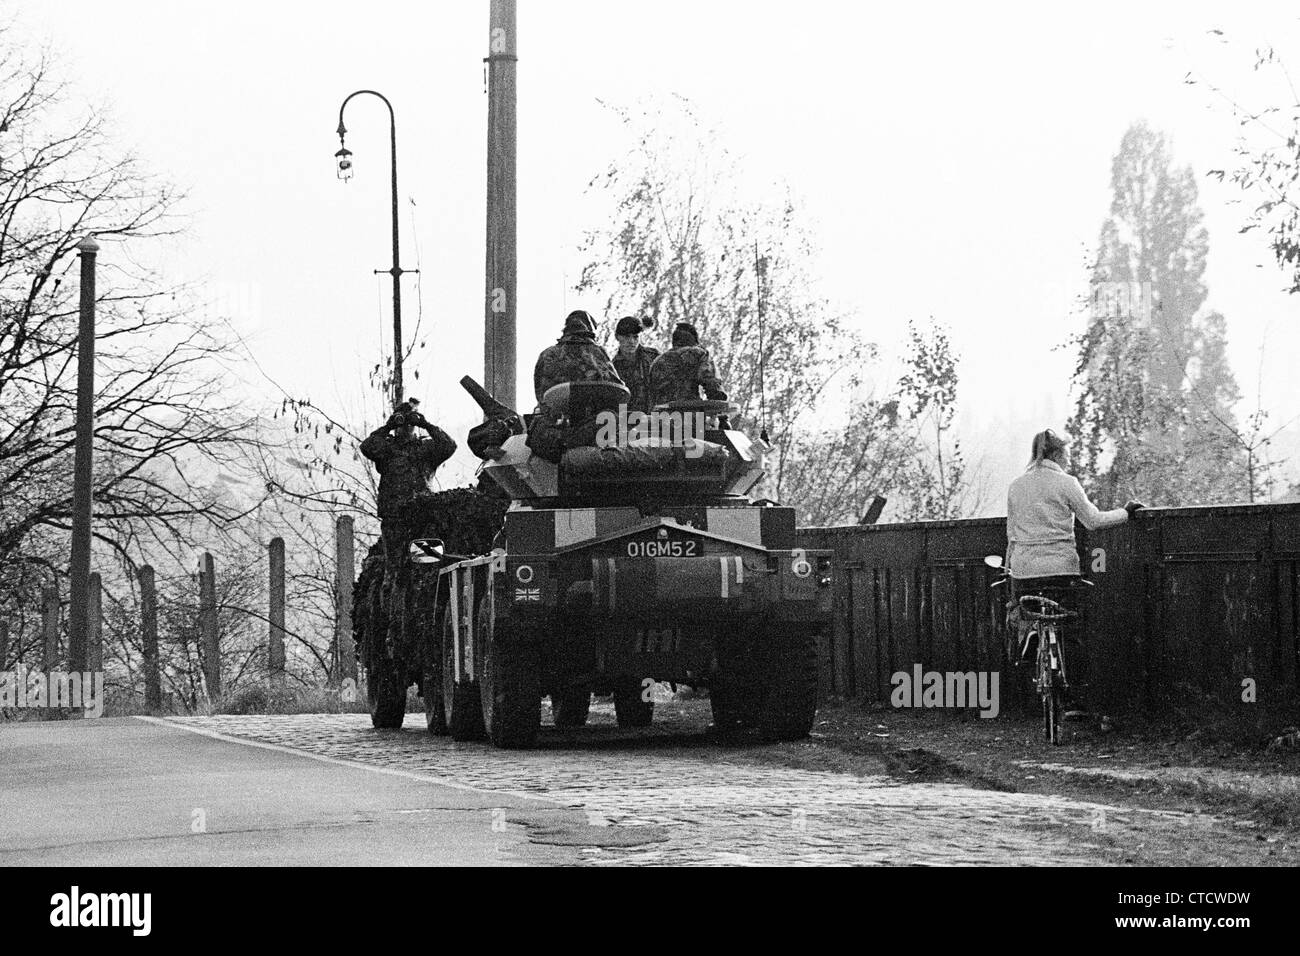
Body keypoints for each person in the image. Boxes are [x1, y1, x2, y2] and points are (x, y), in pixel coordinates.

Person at [1005, 428, 1143, 719]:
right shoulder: (1066, 483)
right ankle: (1074, 701)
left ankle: (1031, 639)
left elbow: (1012, 536)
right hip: (1060, 570)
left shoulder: (1016, 486)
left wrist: (1011, 574)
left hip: (1024, 570)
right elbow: (1092, 521)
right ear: (1057, 454)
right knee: (1072, 628)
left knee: (1026, 617)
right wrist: (1126, 513)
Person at [360, 399, 457, 652]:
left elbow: (448, 445)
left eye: (408, 422)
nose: (406, 427)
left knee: (427, 568)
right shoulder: (388, 450)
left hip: (422, 522)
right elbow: (368, 447)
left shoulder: (424, 449)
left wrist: (424, 423)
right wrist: (388, 426)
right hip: (395, 522)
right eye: (402, 421)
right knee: (394, 573)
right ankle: (394, 629)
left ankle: (424, 625)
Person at [533, 309, 624, 407]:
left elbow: (540, 393)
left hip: (554, 417)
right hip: (596, 417)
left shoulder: (547, 354)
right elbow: (617, 389)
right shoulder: (597, 352)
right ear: (590, 330)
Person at [648, 322, 728, 406]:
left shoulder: (657, 361)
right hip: (689, 412)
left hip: (660, 415)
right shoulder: (699, 354)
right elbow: (712, 385)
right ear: (695, 341)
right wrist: (722, 412)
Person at [610, 315, 660, 415]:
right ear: (617, 337)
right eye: (627, 336)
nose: (631, 341)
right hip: (628, 419)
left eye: (635, 337)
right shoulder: (613, 367)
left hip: (656, 416)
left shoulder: (653, 357)